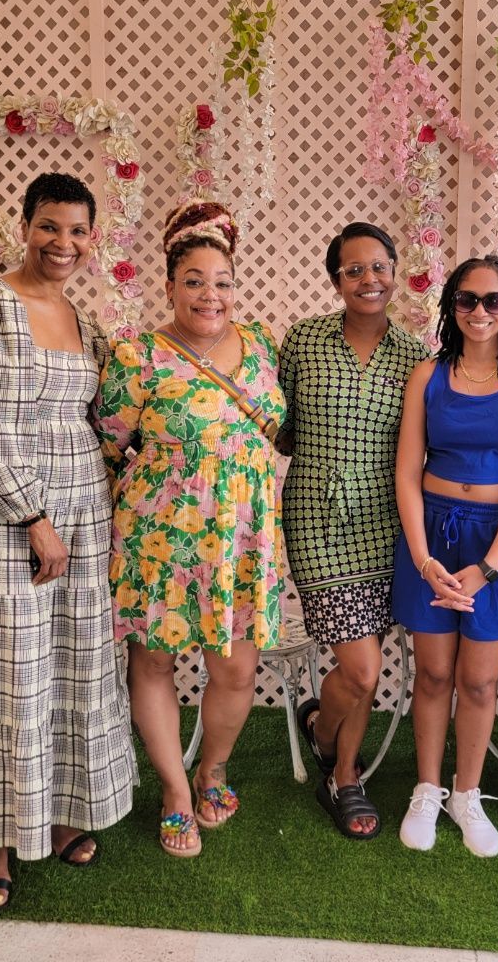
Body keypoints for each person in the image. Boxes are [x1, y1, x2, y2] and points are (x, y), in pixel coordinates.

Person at [0, 173, 136, 910]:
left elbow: (96, 419)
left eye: (78, 231)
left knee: (71, 665)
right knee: (5, 667)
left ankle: (58, 813)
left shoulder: (80, 315)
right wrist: (31, 516)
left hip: (84, 504)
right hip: (8, 514)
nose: (64, 243)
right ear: (24, 225)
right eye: (50, 227)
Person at [96, 199, 286, 859]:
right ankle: (176, 792)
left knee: (234, 669)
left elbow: (275, 427)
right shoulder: (138, 355)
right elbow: (112, 443)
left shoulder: (263, 343)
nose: (211, 294)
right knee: (154, 660)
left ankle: (213, 768)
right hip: (160, 532)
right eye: (195, 281)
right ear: (170, 285)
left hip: (243, 534)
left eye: (223, 281)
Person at [391, 254, 498, 859]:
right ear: (450, 307)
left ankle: (467, 792)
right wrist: (422, 555)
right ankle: (428, 788)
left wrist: (487, 567)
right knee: (434, 673)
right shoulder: (427, 375)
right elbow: (407, 473)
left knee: (480, 680)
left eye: (492, 300)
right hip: (431, 536)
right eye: (466, 300)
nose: (479, 311)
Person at [278, 223, 428, 840]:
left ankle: (330, 746)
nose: (369, 280)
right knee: (364, 668)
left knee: (363, 659)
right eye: (354, 270)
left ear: (395, 271)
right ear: (336, 279)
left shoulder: (416, 355)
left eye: (379, 267)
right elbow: (277, 425)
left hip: (386, 522)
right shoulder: (303, 341)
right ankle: (343, 774)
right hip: (315, 515)